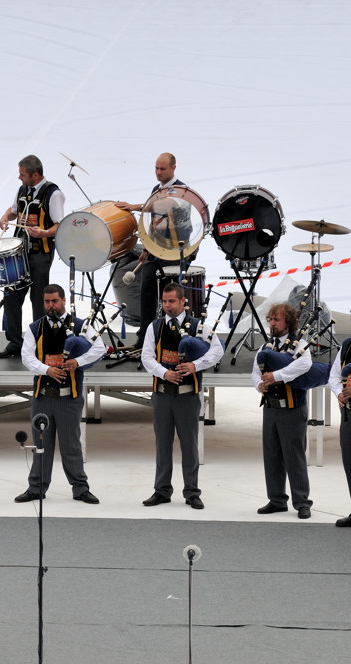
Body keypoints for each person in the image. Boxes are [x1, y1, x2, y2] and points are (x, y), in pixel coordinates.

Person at [14, 284, 105, 503]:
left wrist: (77, 362)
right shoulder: (35, 328)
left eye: (54, 301)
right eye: (47, 302)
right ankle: (36, 487)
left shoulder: (82, 326)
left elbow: (99, 349)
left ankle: (80, 488)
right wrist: (47, 370)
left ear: (63, 300)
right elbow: (27, 356)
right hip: (42, 397)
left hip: (69, 398)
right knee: (40, 445)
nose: (51, 305)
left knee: (71, 445)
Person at [140, 282, 222, 509]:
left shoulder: (199, 326)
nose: (167, 306)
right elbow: (147, 357)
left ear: (183, 301)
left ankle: (192, 492)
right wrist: (164, 373)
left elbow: (218, 351)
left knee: (189, 445)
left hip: (187, 396)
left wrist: (195, 366)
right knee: (162, 445)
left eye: (172, 301)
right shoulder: (154, 327)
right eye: (164, 302)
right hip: (163, 395)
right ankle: (162, 490)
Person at [0, 155, 66, 359]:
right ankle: (15, 342)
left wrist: (43, 233)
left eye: (22, 174)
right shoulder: (23, 190)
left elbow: (60, 225)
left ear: (35, 175)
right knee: (11, 296)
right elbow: (15, 210)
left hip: (40, 253)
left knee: (38, 299)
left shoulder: (53, 193)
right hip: (19, 253)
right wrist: (5, 217)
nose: (19, 177)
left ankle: (38, 342)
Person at [115, 152, 187, 348]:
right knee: (147, 292)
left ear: (173, 168)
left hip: (172, 253)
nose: (158, 172)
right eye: (156, 168)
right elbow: (154, 222)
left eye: (162, 169)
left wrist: (135, 206)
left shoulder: (181, 191)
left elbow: (163, 208)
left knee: (169, 296)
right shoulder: (157, 189)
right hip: (155, 252)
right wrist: (147, 247)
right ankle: (144, 337)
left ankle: (172, 337)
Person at [253, 303, 312, 519]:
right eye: (270, 319)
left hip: (293, 409)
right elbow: (254, 372)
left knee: (294, 456)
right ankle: (276, 499)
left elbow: (304, 365)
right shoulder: (266, 346)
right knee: (272, 455)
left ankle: (302, 502)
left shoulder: (300, 344)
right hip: (271, 408)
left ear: (288, 322)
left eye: (276, 320)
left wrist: (276, 376)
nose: (272, 323)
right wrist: (259, 384)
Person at [328, 335, 351, 526]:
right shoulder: (347, 345)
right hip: (349, 415)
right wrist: (339, 393)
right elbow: (334, 375)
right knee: (350, 465)